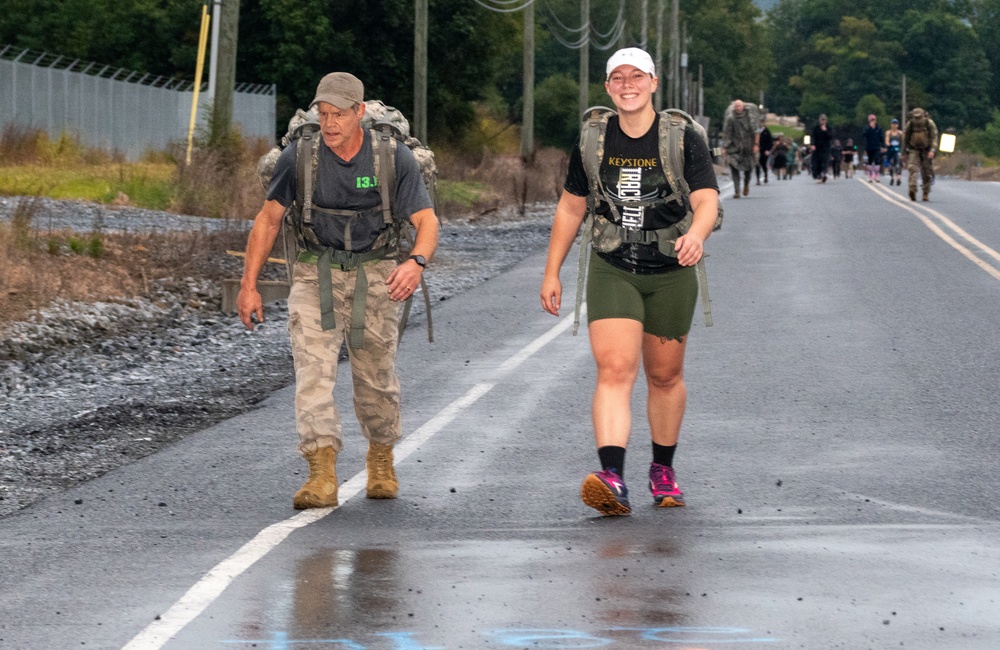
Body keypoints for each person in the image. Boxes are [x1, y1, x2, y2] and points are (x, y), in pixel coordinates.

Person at [237, 72, 440, 509]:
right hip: (316, 273)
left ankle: (381, 458)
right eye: (324, 114)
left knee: (375, 380)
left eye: (339, 115)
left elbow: (427, 221)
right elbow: (268, 219)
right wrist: (248, 285)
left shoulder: (391, 158)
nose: (330, 124)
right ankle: (321, 472)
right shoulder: (301, 157)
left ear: (359, 114)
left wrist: (415, 262)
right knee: (312, 373)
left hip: (378, 274)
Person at [539, 48, 719, 516]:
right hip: (613, 263)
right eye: (617, 77)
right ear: (607, 87)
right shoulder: (593, 139)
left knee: (665, 375)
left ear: (653, 83)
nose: (627, 84)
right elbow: (571, 207)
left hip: (671, 269)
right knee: (615, 369)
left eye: (636, 76)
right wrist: (552, 271)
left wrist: (696, 236)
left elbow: (706, 200)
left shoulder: (682, 138)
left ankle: (662, 468)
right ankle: (612, 477)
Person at [721, 99, 758, 198]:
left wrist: (756, 145)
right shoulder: (731, 119)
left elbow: (756, 131)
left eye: (740, 106)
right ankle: (737, 190)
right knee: (734, 167)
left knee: (749, 169)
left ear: (743, 107)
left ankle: (746, 184)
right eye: (736, 106)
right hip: (734, 147)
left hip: (748, 147)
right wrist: (724, 147)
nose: (738, 108)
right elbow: (727, 133)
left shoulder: (750, 118)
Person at [904, 108, 937, 201]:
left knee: (926, 171)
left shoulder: (929, 123)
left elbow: (934, 137)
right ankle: (912, 190)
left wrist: (932, 150)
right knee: (912, 169)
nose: (917, 120)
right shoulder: (910, 124)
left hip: (926, 150)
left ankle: (925, 192)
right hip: (913, 149)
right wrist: (903, 152)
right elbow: (906, 137)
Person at [862, 114, 885, 183]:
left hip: (877, 147)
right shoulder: (866, 128)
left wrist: (883, 146)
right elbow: (865, 134)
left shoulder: (878, 128)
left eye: (874, 120)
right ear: (869, 120)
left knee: (877, 160)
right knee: (870, 161)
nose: (873, 121)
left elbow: (881, 138)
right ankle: (870, 176)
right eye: (871, 120)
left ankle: (877, 176)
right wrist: (870, 128)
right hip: (869, 147)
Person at [810, 114, 833, 182]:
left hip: (825, 147)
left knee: (824, 161)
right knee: (816, 162)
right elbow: (813, 137)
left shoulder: (828, 128)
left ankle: (823, 174)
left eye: (824, 120)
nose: (823, 121)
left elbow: (830, 137)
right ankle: (818, 175)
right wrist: (813, 145)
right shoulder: (816, 128)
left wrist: (825, 131)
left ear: (826, 120)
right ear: (819, 120)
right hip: (817, 148)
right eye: (821, 120)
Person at [885, 118, 903, 186]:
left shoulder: (900, 133)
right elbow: (886, 141)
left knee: (898, 164)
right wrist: (888, 145)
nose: (894, 125)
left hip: (898, 149)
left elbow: (903, 141)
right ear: (891, 125)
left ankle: (898, 178)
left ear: (898, 125)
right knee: (891, 164)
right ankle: (892, 177)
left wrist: (903, 150)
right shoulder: (888, 133)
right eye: (893, 124)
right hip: (891, 150)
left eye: (896, 124)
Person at [756, 118, 774, 185]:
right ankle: (758, 179)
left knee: (763, 164)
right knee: (757, 164)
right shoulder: (756, 131)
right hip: (757, 150)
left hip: (764, 150)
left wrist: (768, 150)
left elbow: (770, 142)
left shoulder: (766, 131)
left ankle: (766, 174)